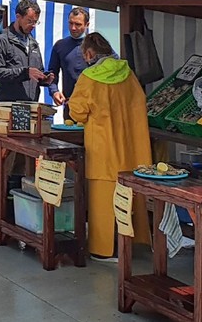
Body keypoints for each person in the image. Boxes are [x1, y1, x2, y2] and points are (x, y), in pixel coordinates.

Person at [67, 32, 152, 262]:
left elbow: (77, 111)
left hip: (102, 149)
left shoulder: (89, 77)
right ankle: (131, 242)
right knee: (128, 195)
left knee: (102, 201)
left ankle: (103, 249)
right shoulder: (128, 73)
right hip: (132, 149)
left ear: (90, 53)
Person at [0, 0, 54, 102]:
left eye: (35, 22)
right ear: (18, 16)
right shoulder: (2, 41)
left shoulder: (33, 43)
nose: (33, 25)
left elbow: (37, 71)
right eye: (29, 21)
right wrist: (24, 73)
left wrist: (44, 78)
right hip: (10, 106)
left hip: (31, 105)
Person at [46, 7, 90, 105]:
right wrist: (54, 91)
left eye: (78, 24)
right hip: (70, 105)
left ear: (87, 25)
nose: (73, 28)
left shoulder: (96, 46)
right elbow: (52, 74)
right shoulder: (60, 46)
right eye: (70, 23)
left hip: (93, 105)